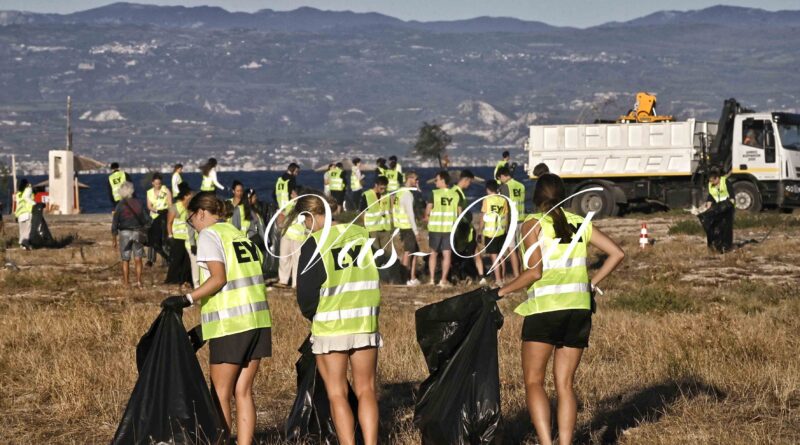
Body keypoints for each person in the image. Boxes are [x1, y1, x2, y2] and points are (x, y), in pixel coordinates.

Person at [497, 173, 624, 445]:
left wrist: (503, 290)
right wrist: (592, 283)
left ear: (536, 196)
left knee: (534, 382)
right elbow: (617, 253)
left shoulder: (532, 224)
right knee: (565, 385)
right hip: (578, 309)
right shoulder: (580, 222)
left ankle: (546, 441)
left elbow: (534, 272)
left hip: (545, 309)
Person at [161, 192, 272, 445]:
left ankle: (221, 441)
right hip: (258, 322)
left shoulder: (209, 235)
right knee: (243, 392)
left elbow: (218, 278)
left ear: (201, 213)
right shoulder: (238, 234)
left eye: (191, 220)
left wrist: (186, 299)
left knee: (219, 393)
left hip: (231, 326)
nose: (192, 226)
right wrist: (203, 329)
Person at [293, 193, 381, 445]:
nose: (305, 227)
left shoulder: (315, 243)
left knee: (337, 393)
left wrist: (313, 315)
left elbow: (307, 296)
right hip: (365, 321)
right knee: (367, 390)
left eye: (304, 221)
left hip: (331, 324)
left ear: (310, 216)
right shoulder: (361, 234)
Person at [111, 181, 152, 287]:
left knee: (125, 259)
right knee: (138, 258)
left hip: (124, 233)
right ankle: (139, 281)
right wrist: (145, 230)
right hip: (138, 232)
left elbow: (115, 222)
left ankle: (126, 282)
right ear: (132, 191)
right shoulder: (139, 203)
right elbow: (147, 220)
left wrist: (114, 238)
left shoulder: (120, 205)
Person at [424, 171, 460, 287]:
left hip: (435, 228)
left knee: (433, 253)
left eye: (436, 179)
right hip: (449, 229)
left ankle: (432, 279)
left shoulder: (434, 193)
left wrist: (427, 217)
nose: (435, 182)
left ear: (443, 181)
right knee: (447, 254)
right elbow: (459, 213)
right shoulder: (455, 194)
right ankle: (443, 280)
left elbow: (428, 210)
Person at [451, 170, 484, 282]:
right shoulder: (457, 193)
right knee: (471, 252)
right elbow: (459, 213)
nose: (470, 185)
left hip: (462, 230)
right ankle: (478, 276)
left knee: (473, 251)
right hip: (462, 231)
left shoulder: (455, 191)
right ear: (466, 180)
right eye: (470, 182)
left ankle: (477, 276)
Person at [478, 180, 510, 286]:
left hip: (490, 232)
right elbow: (506, 216)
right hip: (501, 231)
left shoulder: (487, 200)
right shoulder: (503, 200)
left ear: (487, 189)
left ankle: (498, 279)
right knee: (501, 256)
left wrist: (480, 230)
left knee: (494, 257)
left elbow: (483, 216)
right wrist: (506, 229)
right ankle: (503, 277)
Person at [393, 172, 420, 286]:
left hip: (401, 226)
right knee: (408, 252)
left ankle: (412, 277)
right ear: (410, 178)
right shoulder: (407, 194)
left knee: (413, 251)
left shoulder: (399, 192)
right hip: (408, 227)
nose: (417, 182)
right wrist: (416, 231)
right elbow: (410, 214)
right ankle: (405, 278)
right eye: (416, 179)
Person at [497, 165, 523, 278]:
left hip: (512, 221)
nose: (500, 181)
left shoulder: (505, 187)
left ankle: (517, 276)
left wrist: (505, 224)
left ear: (502, 176)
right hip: (521, 219)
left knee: (512, 249)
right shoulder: (521, 186)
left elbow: (505, 206)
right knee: (521, 249)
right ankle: (524, 271)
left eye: (499, 178)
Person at [165, 184, 193, 287]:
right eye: (190, 194)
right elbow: (169, 222)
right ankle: (172, 280)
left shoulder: (189, 207)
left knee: (187, 260)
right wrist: (170, 235)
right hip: (177, 237)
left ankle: (185, 279)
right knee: (177, 260)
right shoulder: (175, 207)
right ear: (185, 196)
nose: (191, 196)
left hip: (187, 237)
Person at [702, 167, 735, 252]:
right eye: (710, 181)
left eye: (713, 180)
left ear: (717, 178)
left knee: (726, 227)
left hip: (727, 209)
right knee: (717, 227)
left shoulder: (726, 182)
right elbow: (711, 197)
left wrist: (727, 205)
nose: (711, 183)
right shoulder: (711, 185)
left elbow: (732, 197)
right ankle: (717, 245)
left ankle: (726, 246)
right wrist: (707, 207)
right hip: (718, 209)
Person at [360, 176, 392, 258]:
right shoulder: (366, 195)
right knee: (375, 255)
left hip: (385, 229)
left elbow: (391, 209)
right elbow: (362, 213)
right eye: (381, 188)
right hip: (372, 230)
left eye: (385, 188)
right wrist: (364, 227)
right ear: (376, 185)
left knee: (387, 254)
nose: (383, 190)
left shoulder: (387, 195)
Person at [146, 173, 173, 267]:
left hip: (164, 214)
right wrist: (156, 210)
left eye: (159, 183)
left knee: (164, 237)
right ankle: (150, 259)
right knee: (152, 237)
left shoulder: (166, 190)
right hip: (154, 216)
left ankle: (166, 260)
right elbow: (149, 206)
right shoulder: (149, 192)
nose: (158, 185)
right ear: (152, 183)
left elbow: (170, 204)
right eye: (156, 183)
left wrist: (169, 213)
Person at [14, 179, 34, 250]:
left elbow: (17, 205)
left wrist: (16, 215)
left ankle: (22, 245)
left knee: (22, 231)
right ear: (26, 184)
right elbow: (27, 198)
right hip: (27, 212)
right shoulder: (28, 190)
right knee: (28, 230)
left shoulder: (18, 194)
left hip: (20, 214)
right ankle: (26, 243)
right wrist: (34, 204)